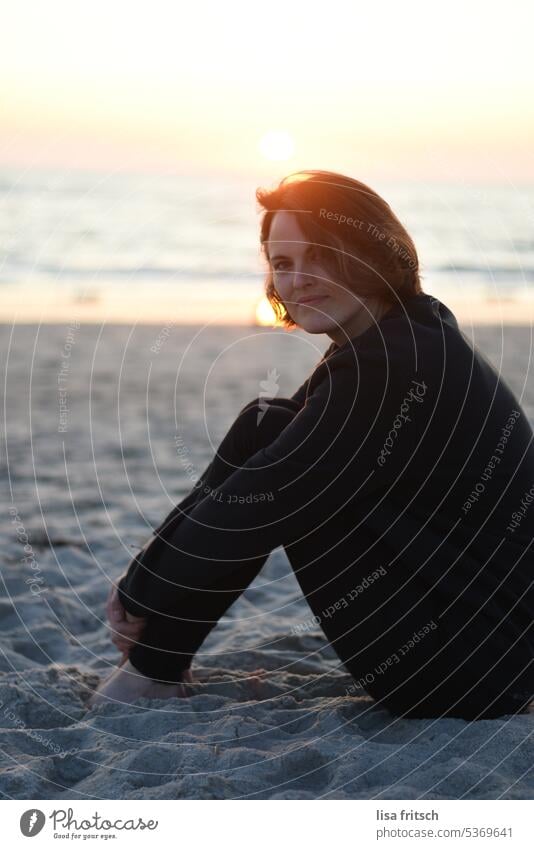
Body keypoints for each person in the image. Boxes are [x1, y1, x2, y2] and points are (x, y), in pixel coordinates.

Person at [89, 170, 534, 719]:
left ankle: (154, 668)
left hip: (465, 672)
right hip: (492, 646)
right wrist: (149, 573)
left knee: (286, 479)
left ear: (370, 249)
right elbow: (267, 453)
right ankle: (157, 664)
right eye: (282, 264)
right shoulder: (408, 329)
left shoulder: (385, 363)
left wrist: (140, 590)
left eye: (318, 255)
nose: (298, 280)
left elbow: (264, 491)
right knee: (270, 429)